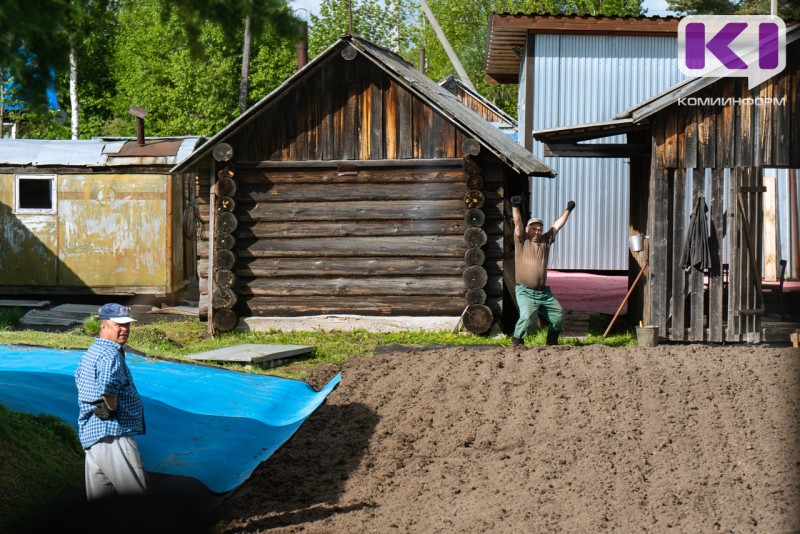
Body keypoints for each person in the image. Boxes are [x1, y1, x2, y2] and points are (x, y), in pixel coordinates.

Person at [75, 302, 148, 500]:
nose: (124, 329)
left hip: (92, 436)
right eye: (119, 325)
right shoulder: (110, 354)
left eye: (127, 325)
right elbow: (108, 386)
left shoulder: (91, 353)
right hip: (114, 433)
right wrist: (110, 407)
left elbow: (79, 380)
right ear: (104, 326)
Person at [509, 195, 576, 346]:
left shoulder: (546, 240)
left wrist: (568, 210)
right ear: (528, 230)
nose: (537, 232)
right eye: (534, 229)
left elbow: (558, 225)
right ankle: (517, 342)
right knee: (527, 317)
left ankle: (551, 343)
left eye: (539, 229)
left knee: (558, 314)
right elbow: (518, 224)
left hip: (543, 293)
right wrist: (515, 206)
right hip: (525, 291)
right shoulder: (522, 240)